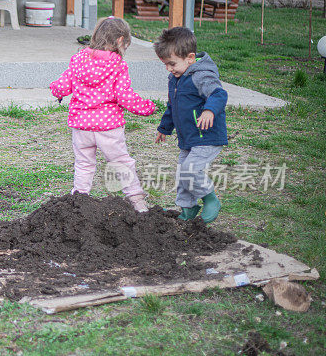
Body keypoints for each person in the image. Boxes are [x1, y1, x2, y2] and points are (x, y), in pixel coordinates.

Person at [50, 16, 156, 212]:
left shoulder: (78, 59)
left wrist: (55, 90)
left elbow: (63, 86)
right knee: (121, 163)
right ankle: (137, 200)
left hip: (81, 126)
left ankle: (79, 200)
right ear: (120, 41)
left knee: (83, 164)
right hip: (109, 127)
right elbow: (124, 96)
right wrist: (147, 107)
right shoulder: (117, 65)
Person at [154, 26, 228, 223]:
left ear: (190, 57)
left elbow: (218, 94)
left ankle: (210, 198)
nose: (169, 69)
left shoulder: (201, 75)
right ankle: (188, 209)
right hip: (189, 138)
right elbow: (173, 106)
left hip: (207, 136)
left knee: (190, 171)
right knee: (183, 174)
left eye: (172, 64)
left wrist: (209, 110)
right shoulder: (176, 78)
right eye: (166, 65)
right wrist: (164, 128)